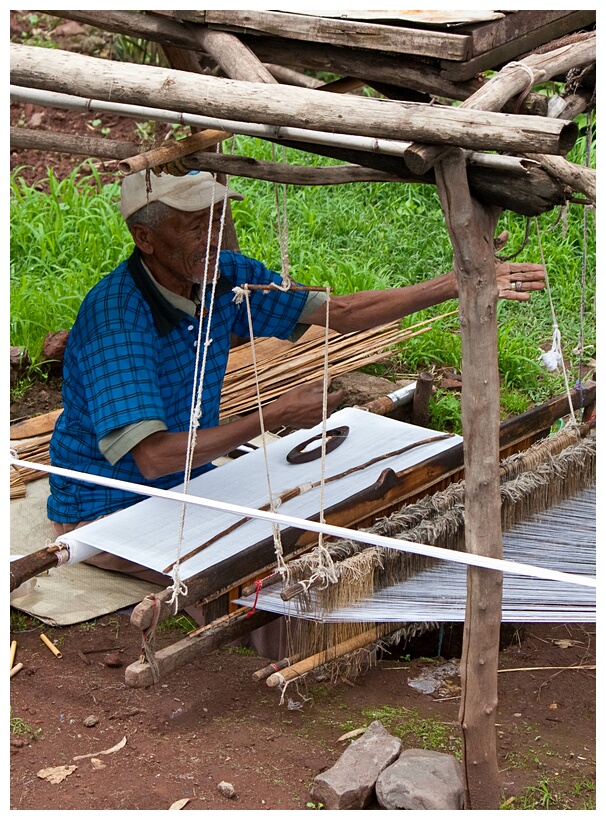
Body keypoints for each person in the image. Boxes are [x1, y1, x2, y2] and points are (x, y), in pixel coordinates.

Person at [48, 169, 546, 587]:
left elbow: (343, 312)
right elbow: (153, 459)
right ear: (146, 239)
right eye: (195, 226)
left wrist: (460, 280)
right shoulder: (117, 322)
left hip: (191, 483)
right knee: (285, 576)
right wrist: (273, 415)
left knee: (332, 530)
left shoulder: (223, 277)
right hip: (108, 511)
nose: (214, 238)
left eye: (217, 221)